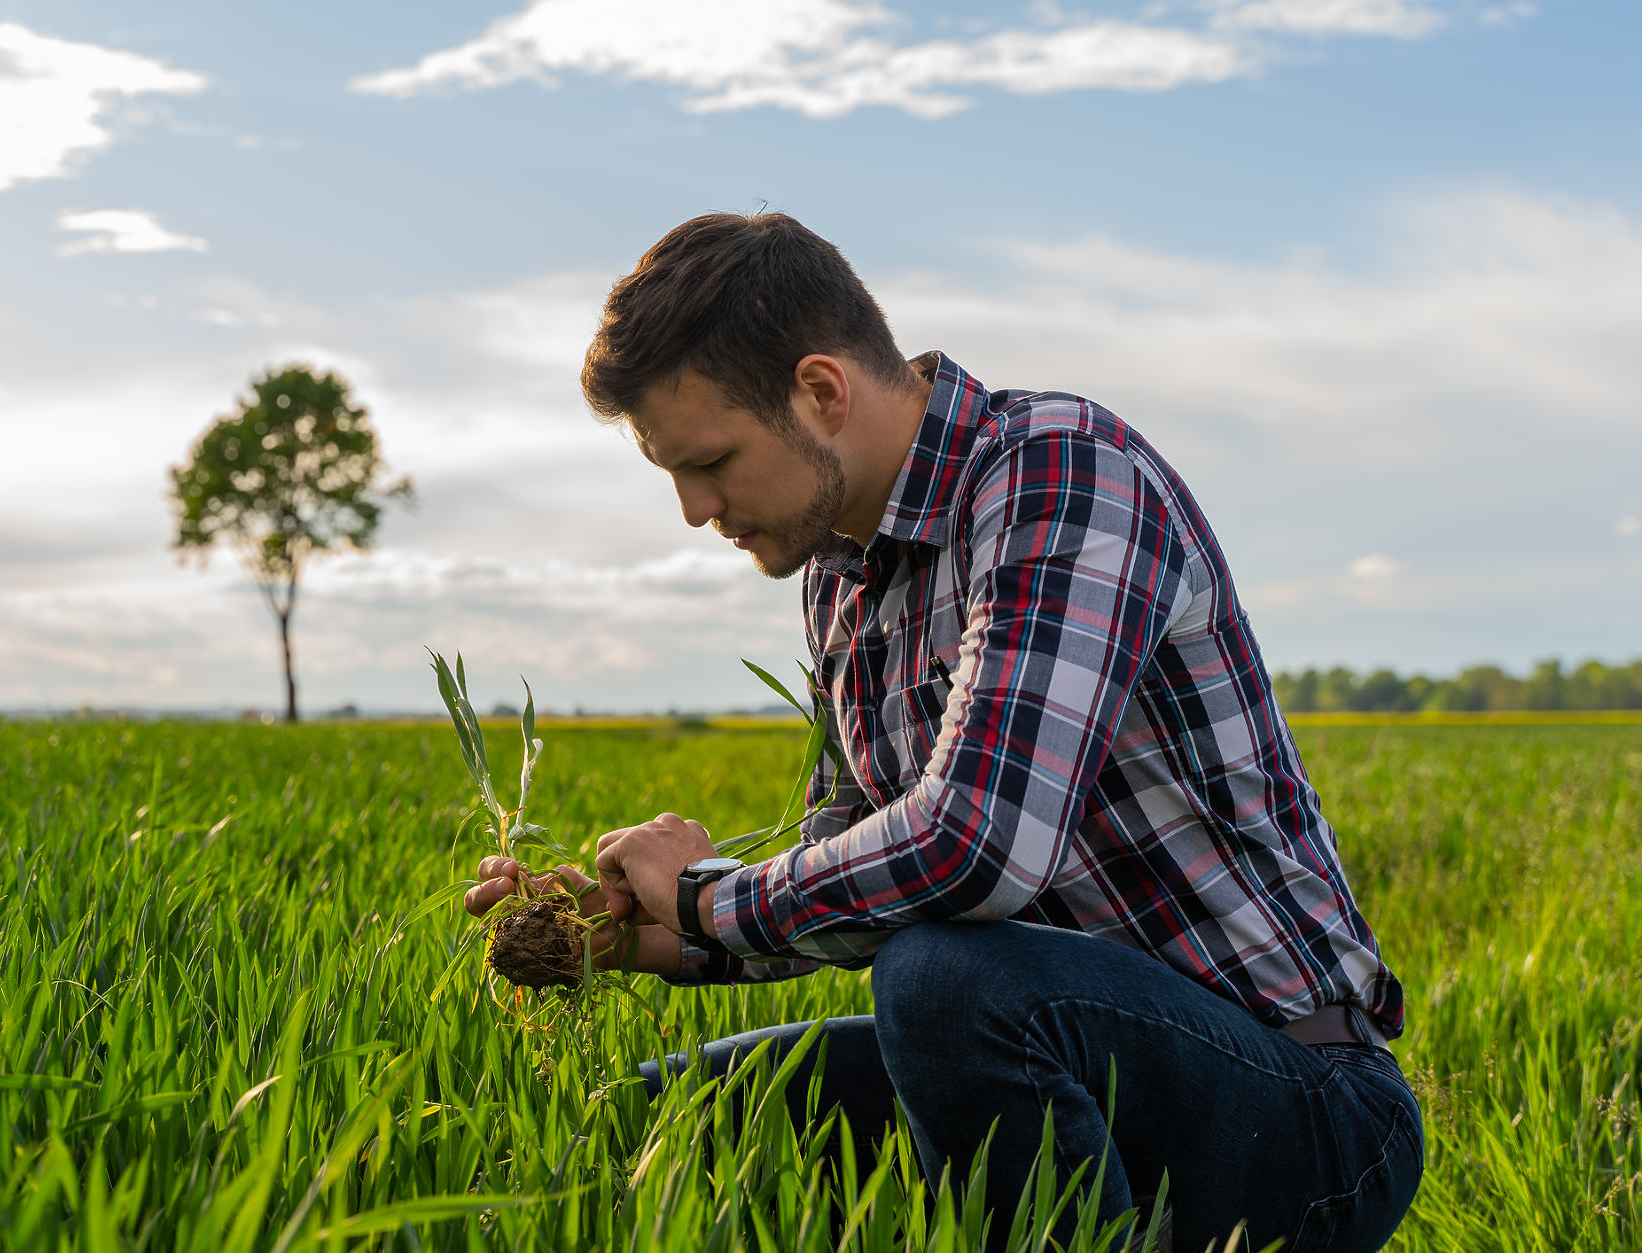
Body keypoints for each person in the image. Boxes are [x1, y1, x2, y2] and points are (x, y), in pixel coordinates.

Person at [464, 212, 1422, 1252]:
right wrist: (652, 934)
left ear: (820, 392)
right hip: (1049, 1058)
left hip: (1295, 1101)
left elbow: (975, 844)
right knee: (670, 1113)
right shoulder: (837, 572)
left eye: (709, 460)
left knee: (941, 978)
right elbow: (863, 874)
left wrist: (705, 896)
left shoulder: (1059, 472)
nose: (694, 509)